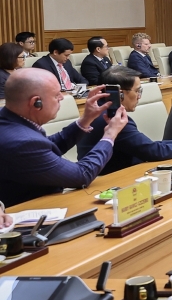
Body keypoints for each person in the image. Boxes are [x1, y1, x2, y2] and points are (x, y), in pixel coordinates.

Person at [0, 69, 127, 207]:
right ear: (36, 102)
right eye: (56, 95)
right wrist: (110, 135)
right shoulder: (22, 142)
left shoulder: (8, 120)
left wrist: (86, 119)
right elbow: (82, 175)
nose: (62, 97)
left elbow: (46, 146)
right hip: (33, 211)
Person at [77, 66, 172, 174]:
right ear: (120, 94)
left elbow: (144, 145)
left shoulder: (99, 111)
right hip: (110, 180)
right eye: (137, 91)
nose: (139, 96)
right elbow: (151, 151)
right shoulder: (112, 119)